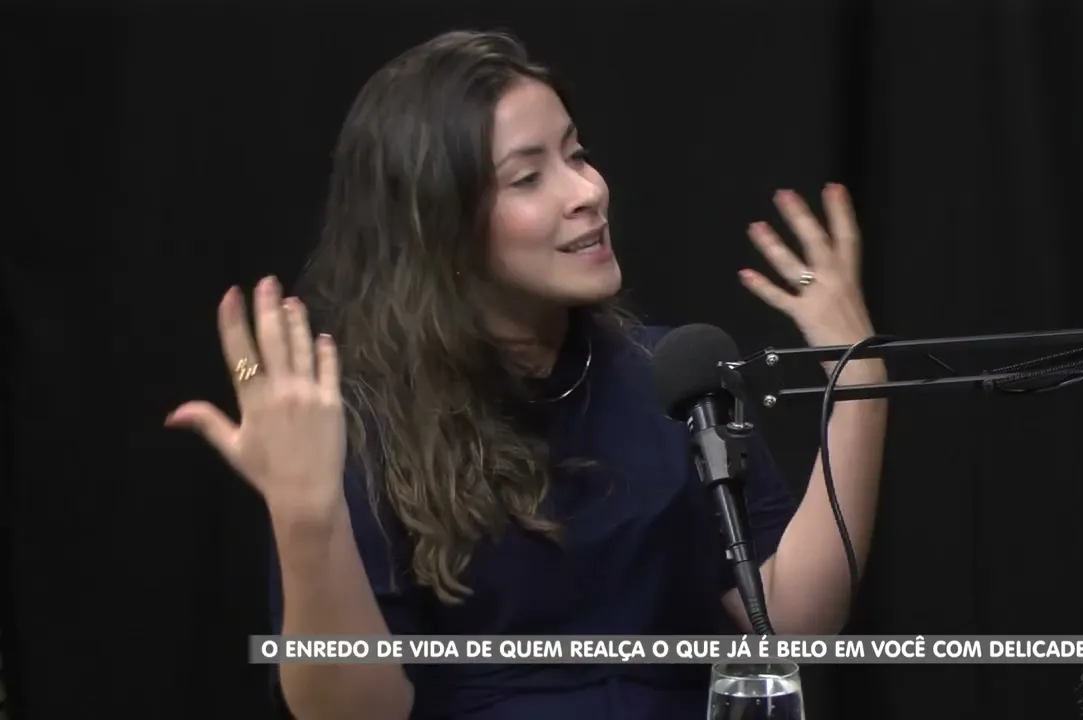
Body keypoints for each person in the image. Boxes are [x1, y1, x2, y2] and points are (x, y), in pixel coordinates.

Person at [165, 30, 888, 720]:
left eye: (578, 154)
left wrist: (860, 381)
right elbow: (358, 711)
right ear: (441, 228)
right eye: (529, 177)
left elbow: (788, 622)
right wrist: (306, 520)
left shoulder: (673, 378)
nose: (587, 191)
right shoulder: (361, 426)